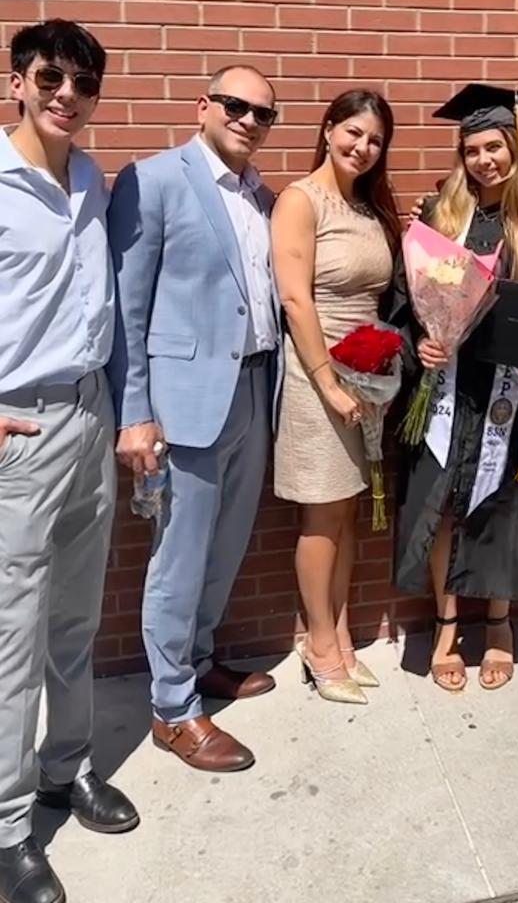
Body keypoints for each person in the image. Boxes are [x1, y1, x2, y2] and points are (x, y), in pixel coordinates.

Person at [108, 66, 282, 773]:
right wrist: (136, 412)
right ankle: (173, 709)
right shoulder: (153, 181)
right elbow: (128, 307)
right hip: (182, 408)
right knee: (178, 560)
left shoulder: (259, 195)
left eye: (263, 113)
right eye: (235, 105)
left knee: (225, 548)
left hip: (251, 392)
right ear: (202, 106)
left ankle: (201, 658)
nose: (248, 119)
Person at [0, 20, 138, 903]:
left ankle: (67, 766)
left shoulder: (87, 178)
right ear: (16, 79)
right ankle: (9, 828)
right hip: (21, 432)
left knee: (75, 620)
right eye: (51, 76)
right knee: (11, 638)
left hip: (89, 418)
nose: (66, 95)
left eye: (83, 83)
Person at [385, 84, 518, 692]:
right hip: (445, 385)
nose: (484, 160)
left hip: (507, 395)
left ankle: (498, 623)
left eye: (494, 146)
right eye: (472, 149)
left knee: (500, 504)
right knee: (442, 507)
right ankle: (446, 625)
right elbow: (407, 297)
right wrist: (420, 342)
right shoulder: (441, 218)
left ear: (516, 149)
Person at [272, 91, 401, 706]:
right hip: (316, 373)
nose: (362, 147)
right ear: (327, 130)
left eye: (375, 140)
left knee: (348, 509)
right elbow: (296, 299)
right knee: (322, 512)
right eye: (352, 133)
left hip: (366, 375)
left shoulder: (369, 208)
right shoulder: (302, 200)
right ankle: (319, 645)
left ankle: (343, 637)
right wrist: (327, 382)